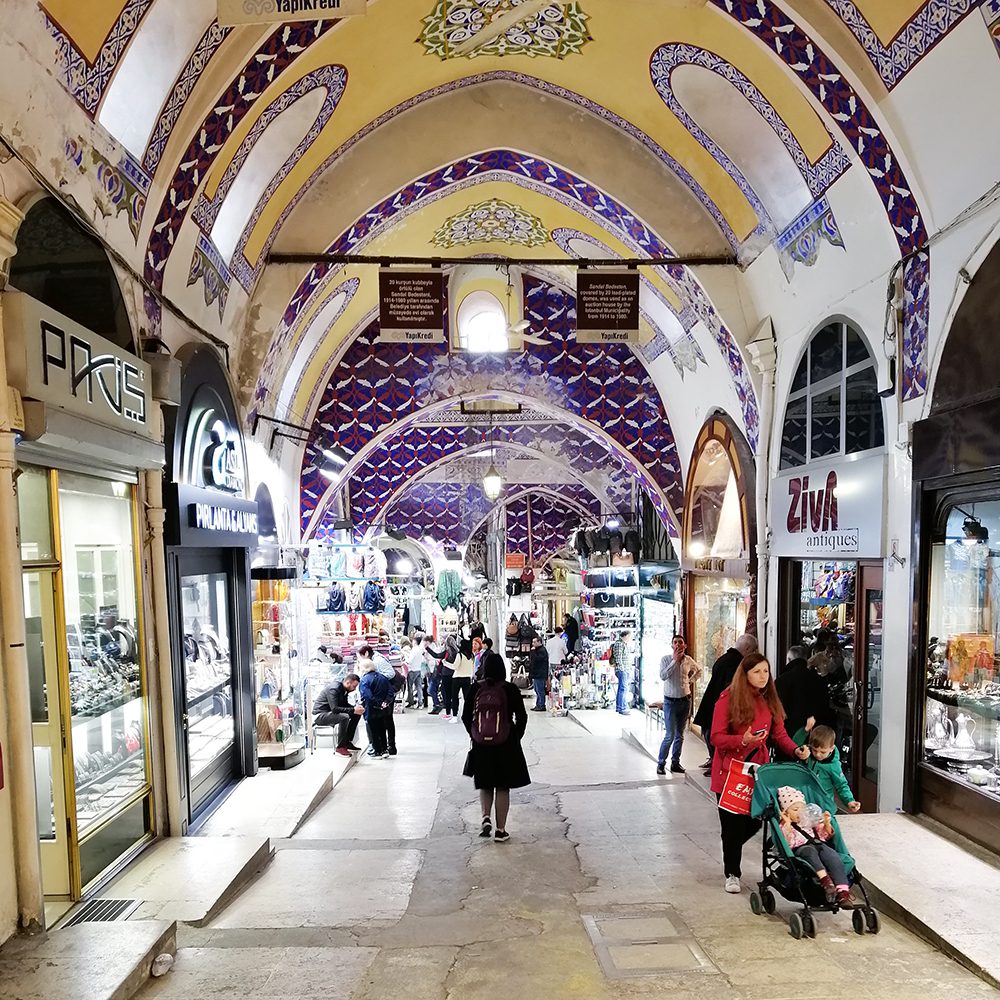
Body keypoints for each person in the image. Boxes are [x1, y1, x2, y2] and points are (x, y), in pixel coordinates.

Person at [710, 653, 808, 894]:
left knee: (758, 817)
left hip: (758, 773)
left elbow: (780, 734)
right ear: (745, 675)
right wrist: (741, 740)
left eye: (766, 671)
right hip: (730, 774)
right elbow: (716, 737)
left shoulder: (769, 700)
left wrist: (796, 750)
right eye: (756, 672)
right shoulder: (727, 699)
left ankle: (730, 847)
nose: (763, 676)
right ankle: (732, 872)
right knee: (731, 825)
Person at [462, 652, 530, 842]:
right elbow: (522, 716)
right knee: (502, 786)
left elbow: (466, 716)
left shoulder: (475, 688)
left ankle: (485, 818)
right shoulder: (510, 689)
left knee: (485, 783)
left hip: (481, 745)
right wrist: (516, 736)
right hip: (506, 744)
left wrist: (475, 734)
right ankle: (501, 830)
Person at [693, 633, 758, 774]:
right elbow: (731, 689)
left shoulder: (725, 658)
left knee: (711, 734)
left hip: (710, 705)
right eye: (753, 651)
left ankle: (714, 762)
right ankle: (716, 764)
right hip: (719, 708)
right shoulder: (736, 664)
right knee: (717, 738)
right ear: (747, 648)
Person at [777, 786, 852, 906]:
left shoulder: (810, 822)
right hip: (800, 849)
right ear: (785, 812)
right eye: (795, 809)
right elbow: (787, 842)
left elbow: (825, 835)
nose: (799, 812)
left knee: (832, 855)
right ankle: (826, 881)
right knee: (809, 852)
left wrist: (826, 823)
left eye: (802, 808)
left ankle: (843, 892)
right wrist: (787, 823)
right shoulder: (786, 826)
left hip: (818, 844)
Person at [653, 635, 702, 776]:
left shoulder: (688, 660)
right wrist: (674, 661)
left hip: (685, 701)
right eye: (675, 642)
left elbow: (698, 671)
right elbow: (663, 676)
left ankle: (675, 763)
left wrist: (690, 681)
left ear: (684, 645)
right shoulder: (666, 659)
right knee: (670, 735)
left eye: (680, 642)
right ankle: (661, 763)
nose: (678, 645)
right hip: (670, 702)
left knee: (680, 735)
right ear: (672, 645)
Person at [775, 645, 833, 743]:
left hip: (788, 734)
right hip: (816, 733)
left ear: (789, 660)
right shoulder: (818, 680)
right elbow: (825, 707)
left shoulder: (782, 680)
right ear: (805, 659)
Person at [801, 725, 861, 813]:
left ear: (831, 749)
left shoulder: (833, 766)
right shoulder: (808, 755)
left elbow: (841, 785)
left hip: (824, 806)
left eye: (822, 752)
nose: (818, 754)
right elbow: (795, 744)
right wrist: (804, 730)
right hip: (806, 802)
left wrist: (849, 800)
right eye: (815, 750)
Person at [311, 672, 364, 757]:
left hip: (329, 714)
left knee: (356, 714)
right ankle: (340, 747)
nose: (354, 689)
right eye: (354, 686)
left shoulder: (343, 690)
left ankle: (347, 742)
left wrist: (356, 709)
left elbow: (344, 704)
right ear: (348, 683)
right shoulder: (334, 689)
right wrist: (353, 709)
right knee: (345, 717)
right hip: (320, 715)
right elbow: (335, 708)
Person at [358, 661, 394, 759]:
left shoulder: (365, 680)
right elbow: (390, 691)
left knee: (373, 730)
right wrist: (385, 702)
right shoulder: (383, 678)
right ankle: (384, 749)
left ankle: (377, 751)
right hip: (383, 709)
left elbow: (367, 695)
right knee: (382, 729)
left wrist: (376, 704)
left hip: (371, 708)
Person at [448, 638, 476, 723]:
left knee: (455, 697)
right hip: (467, 678)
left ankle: (455, 716)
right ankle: (469, 715)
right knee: (467, 698)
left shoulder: (459, 655)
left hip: (457, 678)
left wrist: (445, 663)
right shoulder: (472, 656)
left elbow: (455, 667)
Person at [609, 631, 632, 715]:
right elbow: (618, 657)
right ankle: (621, 707)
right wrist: (622, 669)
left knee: (622, 688)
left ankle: (621, 706)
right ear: (625, 636)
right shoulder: (619, 644)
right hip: (622, 670)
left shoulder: (623, 644)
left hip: (624, 669)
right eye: (629, 636)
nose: (630, 638)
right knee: (623, 688)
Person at [528, 636, 549, 712]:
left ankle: (541, 705)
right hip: (536, 673)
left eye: (534, 642)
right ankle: (538, 704)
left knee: (540, 690)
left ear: (539, 642)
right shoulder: (537, 650)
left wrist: (533, 652)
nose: (533, 644)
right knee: (537, 690)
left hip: (540, 674)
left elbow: (537, 660)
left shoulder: (542, 650)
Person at [406, 635, 427, 708]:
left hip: (412, 670)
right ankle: (420, 703)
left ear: (414, 641)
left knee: (410, 687)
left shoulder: (414, 650)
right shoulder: (420, 650)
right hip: (419, 669)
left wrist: (405, 658)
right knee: (419, 687)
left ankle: (411, 702)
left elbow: (409, 661)